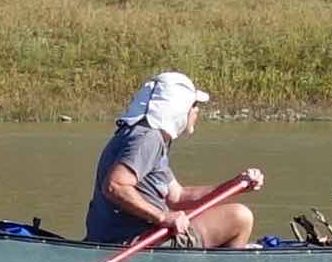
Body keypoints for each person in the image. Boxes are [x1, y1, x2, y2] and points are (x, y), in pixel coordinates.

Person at [85, 70, 256, 249]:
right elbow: (115, 186)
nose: (196, 110)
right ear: (178, 108)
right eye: (194, 105)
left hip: (121, 239)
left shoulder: (141, 136)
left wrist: (236, 185)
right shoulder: (148, 139)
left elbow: (178, 197)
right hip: (137, 243)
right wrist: (163, 217)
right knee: (239, 217)